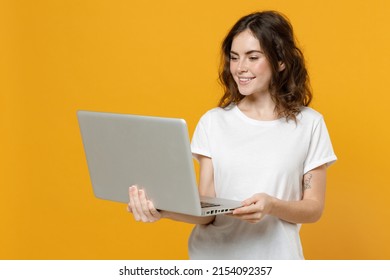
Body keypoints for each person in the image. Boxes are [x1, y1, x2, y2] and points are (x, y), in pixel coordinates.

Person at [127, 10, 337, 259]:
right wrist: (161, 209)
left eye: (253, 57)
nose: (240, 68)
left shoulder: (309, 124)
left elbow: (313, 209)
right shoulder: (213, 122)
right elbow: (206, 211)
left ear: (280, 61)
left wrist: (272, 205)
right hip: (212, 260)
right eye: (235, 58)